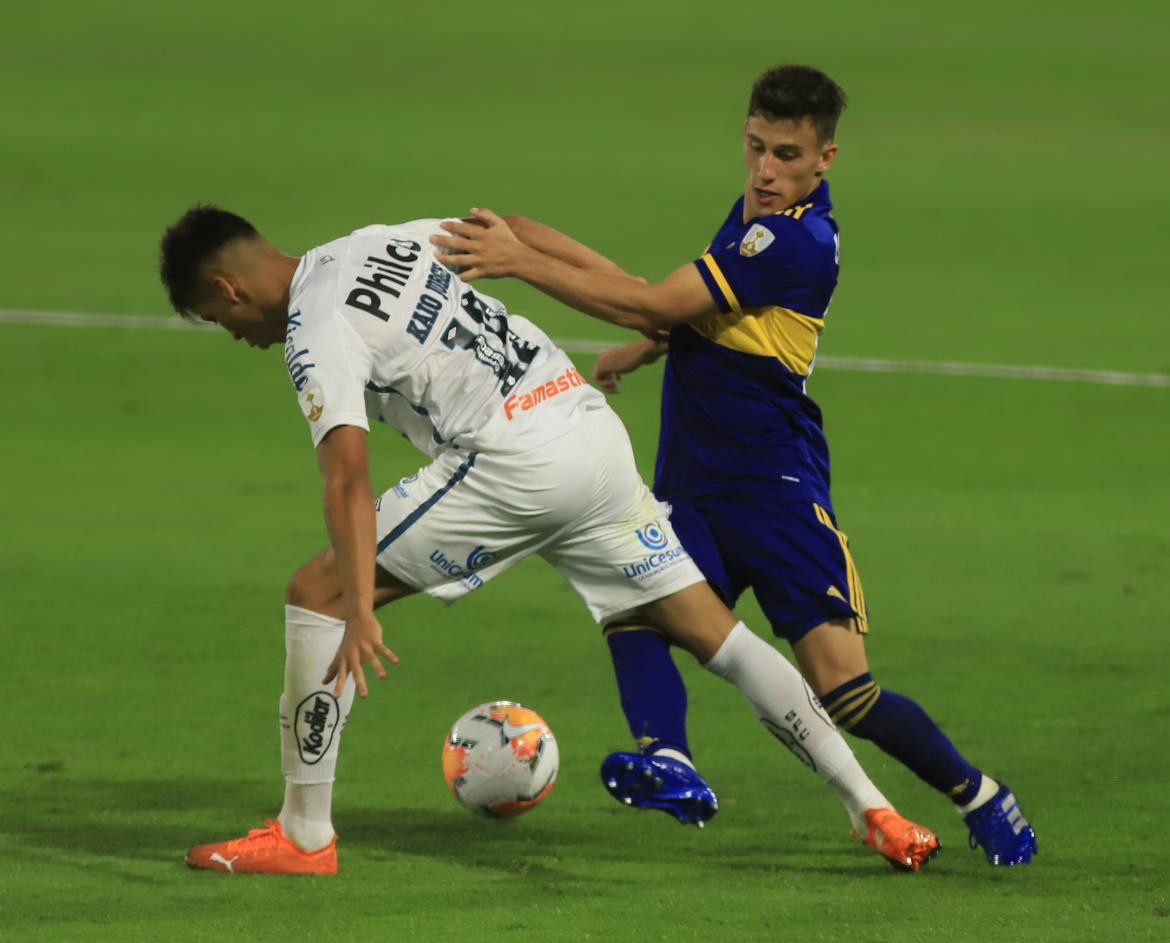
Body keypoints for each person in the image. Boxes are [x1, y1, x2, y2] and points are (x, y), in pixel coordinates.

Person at [156, 205, 940, 875]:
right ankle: (875, 810)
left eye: (219, 319)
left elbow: (346, 480)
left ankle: (303, 834)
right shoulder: (378, 241)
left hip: (516, 462)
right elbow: (512, 230)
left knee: (315, 592)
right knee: (717, 635)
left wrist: (358, 605)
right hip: (587, 429)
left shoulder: (311, 329)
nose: (235, 334)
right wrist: (641, 303)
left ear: (227, 288)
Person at [430, 64, 1037, 867]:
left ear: (826, 159)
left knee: (845, 689)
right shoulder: (755, 211)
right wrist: (529, 236)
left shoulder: (796, 238)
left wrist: (521, 262)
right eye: (755, 146)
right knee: (634, 605)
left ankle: (981, 794)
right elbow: (673, 304)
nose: (765, 169)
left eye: (786, 154)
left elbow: (655, 301)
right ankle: (668, 758)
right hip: (694, 488)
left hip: (776, 491)